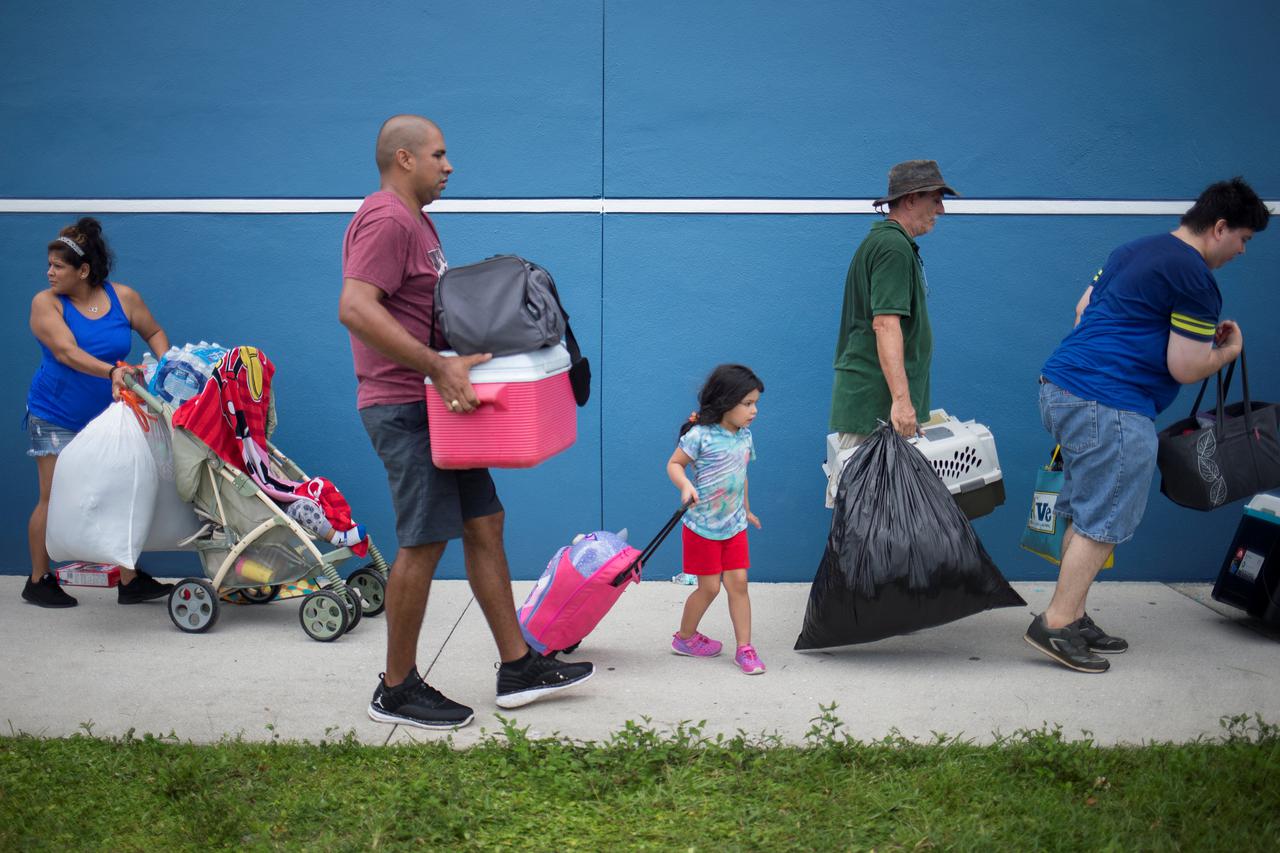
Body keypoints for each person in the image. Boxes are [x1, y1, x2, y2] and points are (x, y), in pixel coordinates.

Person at [338, 114, 594, 730]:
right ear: (404, 158)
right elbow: (355, 307)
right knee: (424, 540)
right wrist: (436, 365)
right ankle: (395, 688)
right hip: (404, 405)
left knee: (485, 522)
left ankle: (518, 667)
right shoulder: (386, 218)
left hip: (441, 406)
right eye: (438, 155)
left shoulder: (418, 221)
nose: (449, 166)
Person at [1026, 177, 1271, 674]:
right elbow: (1185, 366)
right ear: (1220, 227)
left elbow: (1083, 310)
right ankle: (1055, 623)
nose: (1243, 251)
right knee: (1105, 519)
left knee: (1087, 512)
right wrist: (1228, 351)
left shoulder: (1132, 250)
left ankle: (1072, 615)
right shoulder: (1196, 277)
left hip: (1061, 386)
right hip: (1112, 403)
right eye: (1243, 238)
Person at [24, 217, 174, 608]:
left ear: (83, 270)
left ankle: (130, 580)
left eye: (58, 266)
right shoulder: (46, 303)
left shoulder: (124, 298)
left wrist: (165, 368)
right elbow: (66, 352)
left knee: (122, 490)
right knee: (52, 496)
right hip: (55, 414)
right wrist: (113, 372)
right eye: (50, 265)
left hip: (110, 415)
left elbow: (154, 332)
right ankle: (38, 579)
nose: (49, 272)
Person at [827, 160, 958, 507]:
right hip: (876, 408)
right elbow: (885, 323)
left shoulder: (892, 244)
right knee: (868, 519)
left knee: (881, 519)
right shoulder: (892, 248)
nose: (941, 210)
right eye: (936, 199)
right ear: (911, 199)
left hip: (879, 408)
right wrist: (901, 402)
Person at [666, 364, 766, 675]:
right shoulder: (700, 436)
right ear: (726, 401)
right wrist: (685, 486)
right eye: (747, 403)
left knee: (739, 584)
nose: (754, 411)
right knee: (709, 588)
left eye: (756, 403)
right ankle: (685, 637)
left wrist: (746, 509)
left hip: (734, 525)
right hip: (702, 528)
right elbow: (674, 464)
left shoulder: (745, 437)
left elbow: (741, 476)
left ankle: (745, 648)